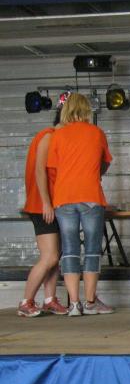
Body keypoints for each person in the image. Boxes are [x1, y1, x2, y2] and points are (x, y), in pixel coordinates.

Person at [45, 93, 114, 316]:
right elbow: (105, 162)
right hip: (91, 195)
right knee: (92, 249)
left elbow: (52, 170)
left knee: (69, 250)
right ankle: (90, 301)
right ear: (87, 110)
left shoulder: (58, 135)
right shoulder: (96, 133)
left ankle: (74, 304)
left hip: (64, 198)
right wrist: (94, 173)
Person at [18, 111, 68, 317]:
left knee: (56, 256)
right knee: (49, 256)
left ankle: (49, 299)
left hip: (53, 204)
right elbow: (39, 171)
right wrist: (46, 203)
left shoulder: (55, 137)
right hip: (42, 206)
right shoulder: (48, 136)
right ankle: (26, 302)